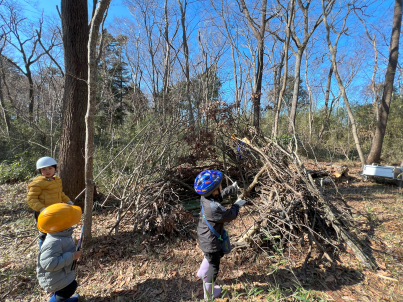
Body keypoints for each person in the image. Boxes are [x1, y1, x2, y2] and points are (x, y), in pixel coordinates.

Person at [194, 170, 246, 300]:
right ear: (215, 190)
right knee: (214, 267)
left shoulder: (206, 198)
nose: (221, 187)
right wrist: (236, 206)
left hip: (204, 235)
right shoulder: (214, 208)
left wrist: (231, 189)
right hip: (211, 241)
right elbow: (229, 215)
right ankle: (209, 295)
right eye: (220, 186)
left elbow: (219, 195)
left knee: (209, 256)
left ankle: (201, 273)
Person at [37, 203, 82, 302]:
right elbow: (49, 263)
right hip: (53, 278)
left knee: (69, 287)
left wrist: (74, 240)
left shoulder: (60, 233)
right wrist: (72, 256)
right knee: (69, 288)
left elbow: (64, 244)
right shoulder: (53, 242)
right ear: (62, 224)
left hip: (61, 274)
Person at [27, 157, 73, 248]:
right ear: (40, 171)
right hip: (42, 212)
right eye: (44, 169)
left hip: (55, 210)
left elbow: (60, 193)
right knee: (44, 233)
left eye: (50, 168)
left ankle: (55, 248)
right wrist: (41, 208)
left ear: (55, 168)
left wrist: (67, 201)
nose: (47, 171)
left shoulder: (56, 180)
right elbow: (31, 198)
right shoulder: (38, 182)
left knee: (56, 230)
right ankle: (42, 251)